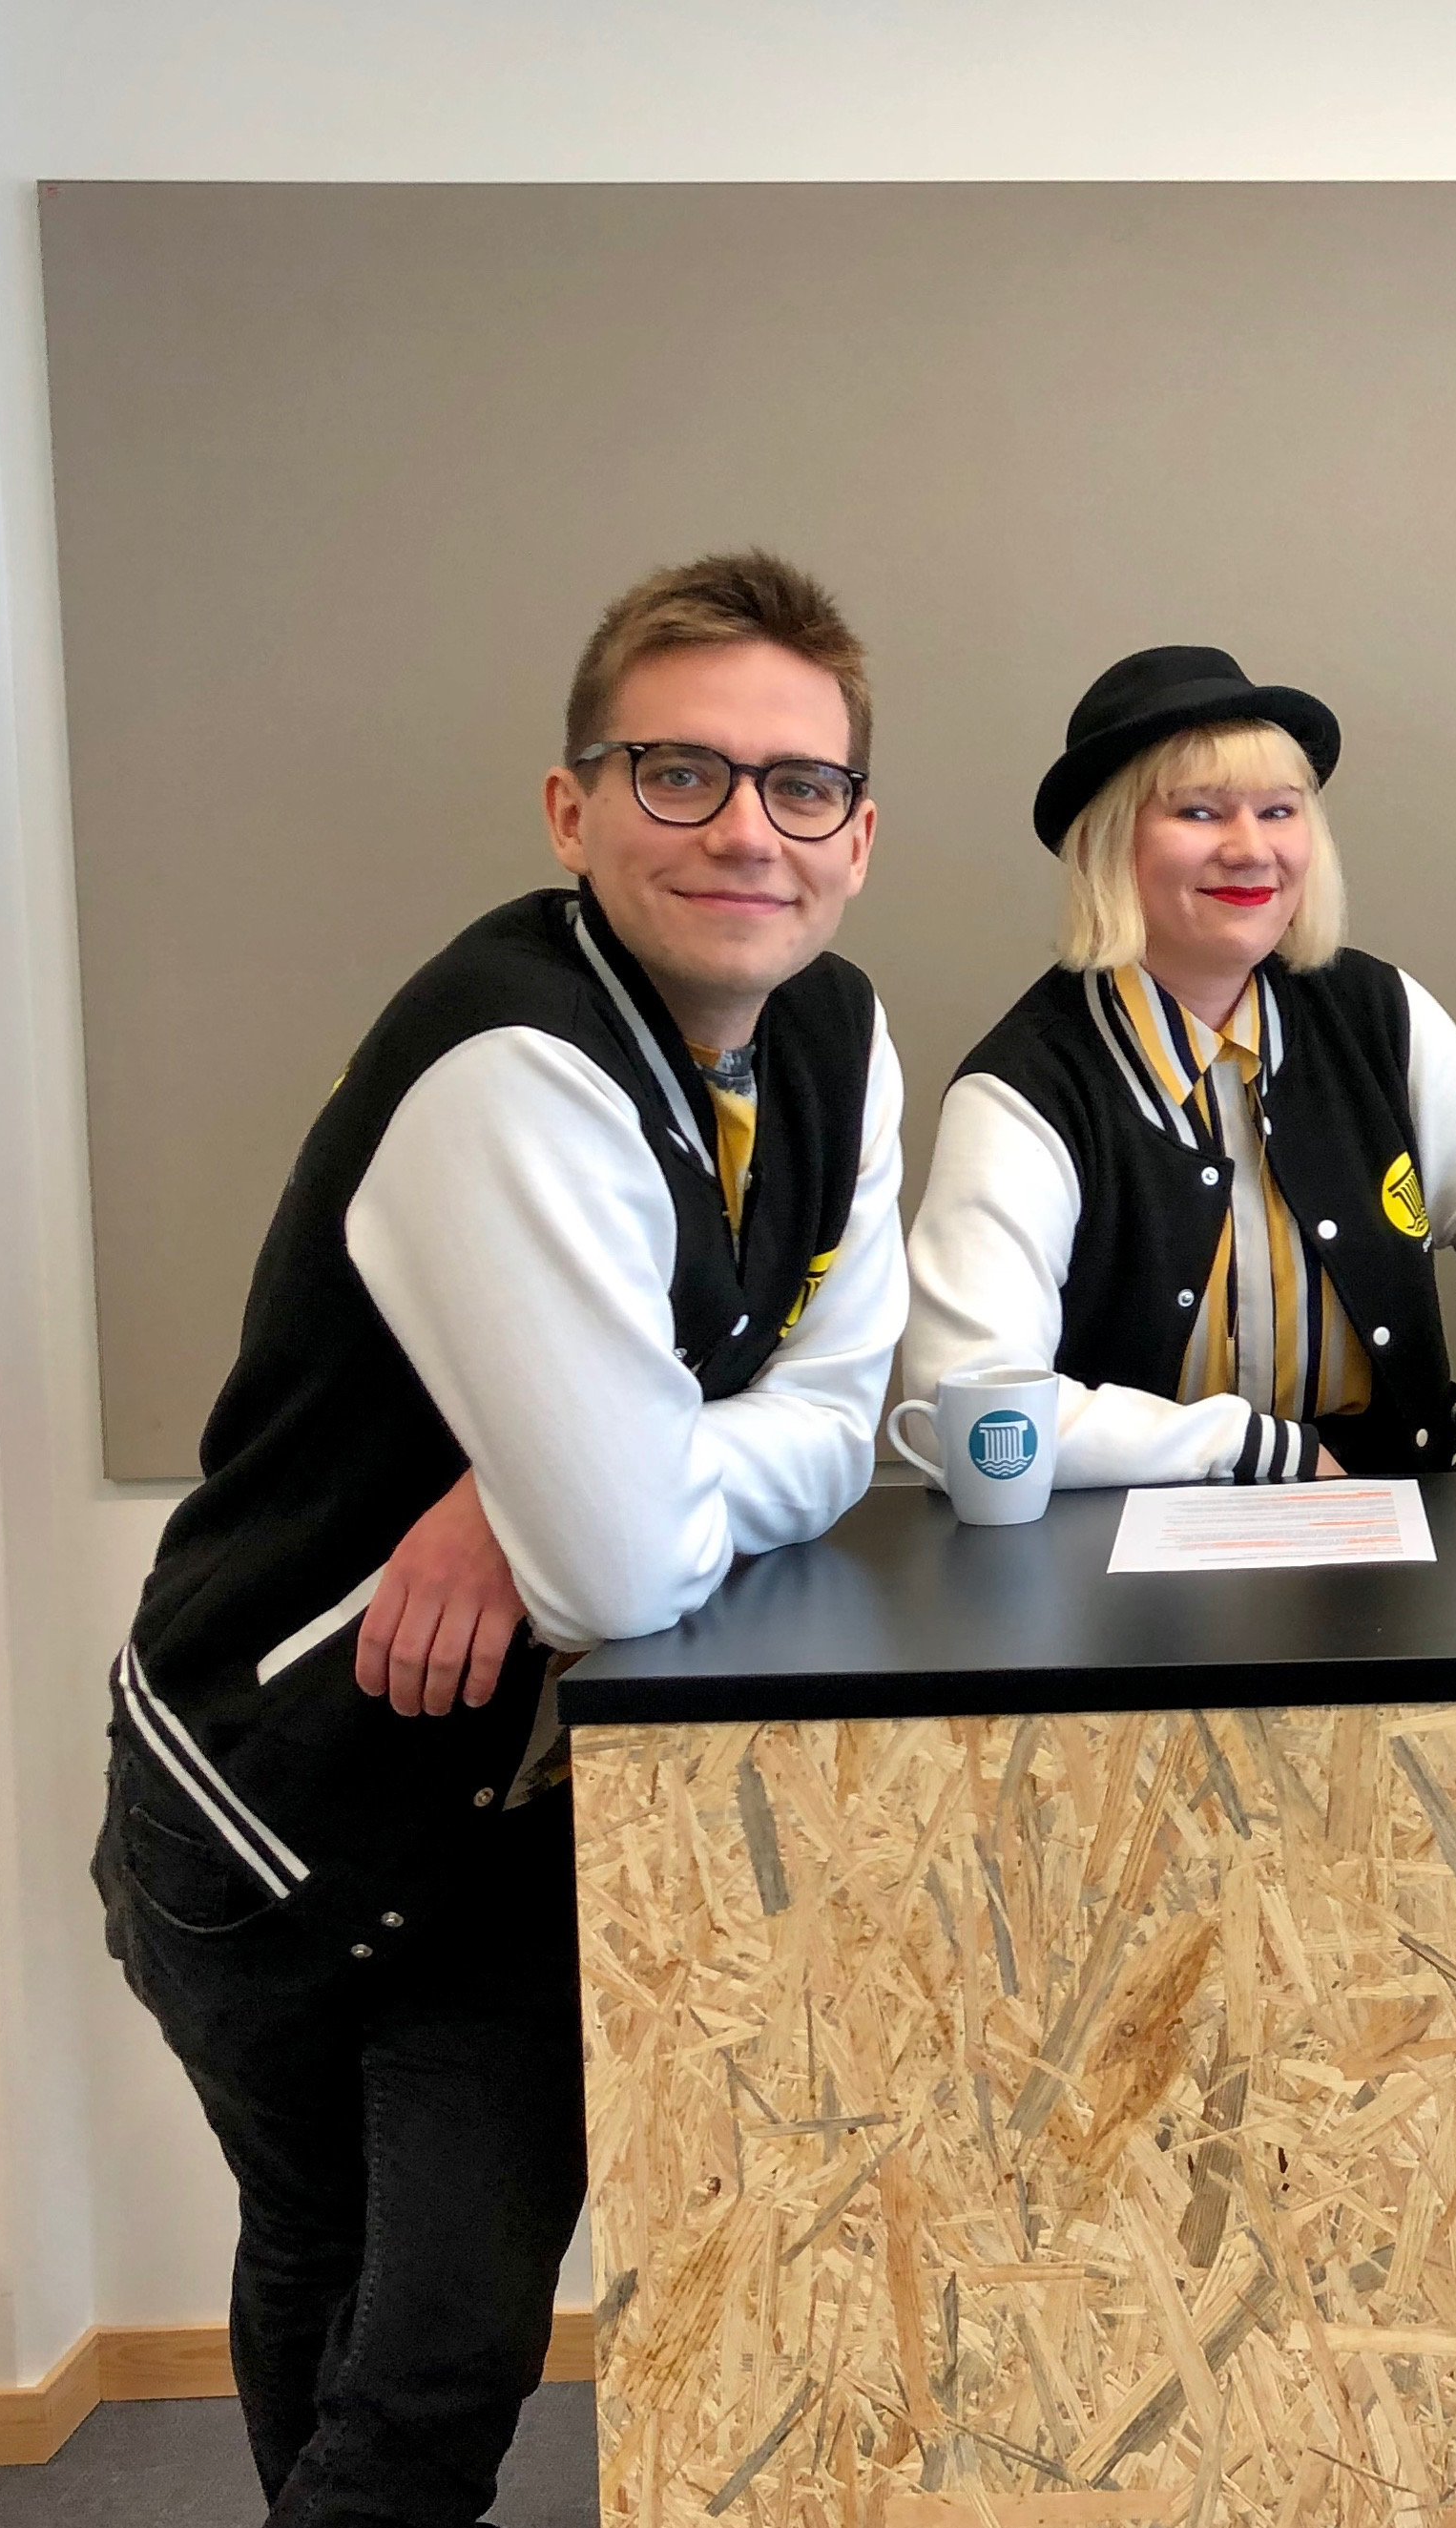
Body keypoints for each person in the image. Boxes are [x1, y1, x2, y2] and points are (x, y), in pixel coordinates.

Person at [94, 554, 909, 2528]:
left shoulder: (836, 1034)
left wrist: (554, 1481)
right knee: (350, 2276)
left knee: (428, 2346)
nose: (746, 829)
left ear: (858, 835)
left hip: (508, 1793)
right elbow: (620, 1565)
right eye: (678, 771)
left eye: (800, 785)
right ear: (571, 805)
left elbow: (842, 1414)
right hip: (268, 1798)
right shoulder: (509, 1061)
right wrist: (575, 1491)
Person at [904, 645, 1456, 1484]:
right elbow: (967, 1404)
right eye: (1198, 812)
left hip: (1394, 1524)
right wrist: (1260, 1451)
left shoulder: (1380, 1015)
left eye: (1278, 810)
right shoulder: (1023, 1090)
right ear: (1102, 845)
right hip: (1122, 1539)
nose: (1251, 849)